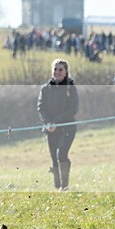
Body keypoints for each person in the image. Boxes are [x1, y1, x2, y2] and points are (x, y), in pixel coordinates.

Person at [38, 59, 78, 190]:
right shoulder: (45, 89)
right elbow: (41, 107)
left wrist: (57, 122)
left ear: (66, 72)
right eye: (55, 69)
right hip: (51, 129)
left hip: (67, 128)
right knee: (54, 157)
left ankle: (64, 186)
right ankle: (57, 186)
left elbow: (73, 109)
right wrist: (48, 122)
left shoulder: (70, 88)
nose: (57, 72)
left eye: (60, 69)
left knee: (62, 155)